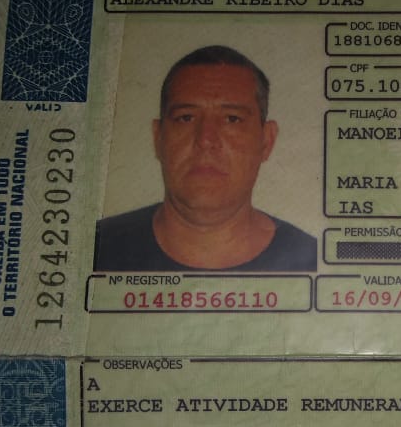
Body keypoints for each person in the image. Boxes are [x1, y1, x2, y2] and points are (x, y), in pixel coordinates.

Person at [94, 46, 316, 271]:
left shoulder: (314, 261)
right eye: (186, 118)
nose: (206, 139)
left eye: (232, 119)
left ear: (266, 142)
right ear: (158, 138)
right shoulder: (94, 249)